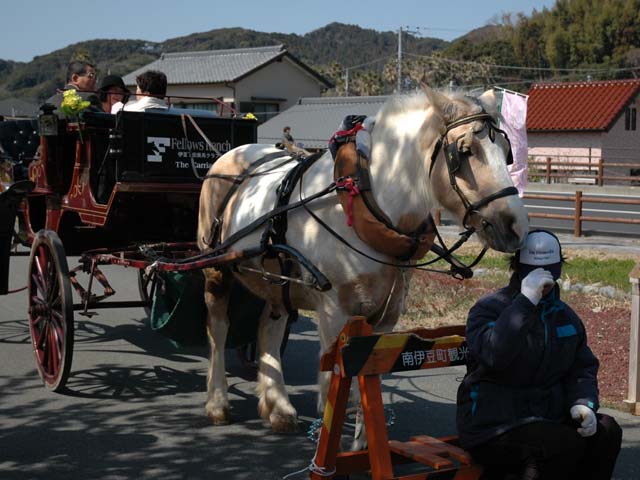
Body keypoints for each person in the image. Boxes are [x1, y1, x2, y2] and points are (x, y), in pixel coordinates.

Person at [456, 229, 622, 480]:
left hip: (547, 416)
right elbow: (494, 355)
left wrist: (583, 402)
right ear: (517, 267)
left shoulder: (565, 316)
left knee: (607, 431)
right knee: (558, 443)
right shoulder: (489, 309)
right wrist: (524, 303)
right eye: (533, 269)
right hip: (493, 425)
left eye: (548, 270)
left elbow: (581, 368)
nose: (542, 278)